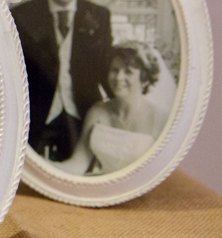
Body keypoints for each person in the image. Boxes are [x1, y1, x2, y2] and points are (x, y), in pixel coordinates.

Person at [11, 0, 112, 162]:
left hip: (82, 113)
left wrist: (116, 107)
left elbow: (105, 67)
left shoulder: (99, 16)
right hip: (35, 114)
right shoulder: (23, 15)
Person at [56, 42, 172, 175]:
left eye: (128, 72)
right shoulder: (97, 112)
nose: (118, 77)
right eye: (114, 70)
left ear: (145, 79)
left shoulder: (161, 120)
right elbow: (78, 164)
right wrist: (46, 167)